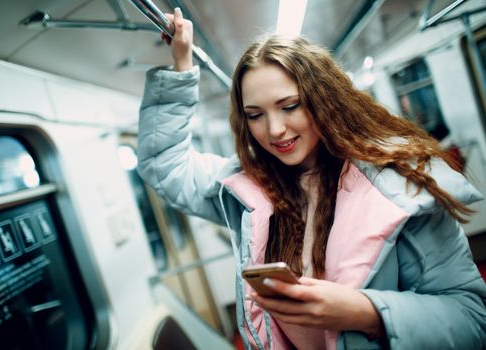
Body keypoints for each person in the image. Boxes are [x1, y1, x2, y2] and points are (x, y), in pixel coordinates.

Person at [136, 7, 486, 350]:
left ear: (325, 100)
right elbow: (164, 165)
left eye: (290, 106)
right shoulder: (250, 190)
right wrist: (181, 68)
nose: (275, 130)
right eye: (255, 115)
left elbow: (471, 319)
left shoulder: (399, 185)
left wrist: (367, 313)